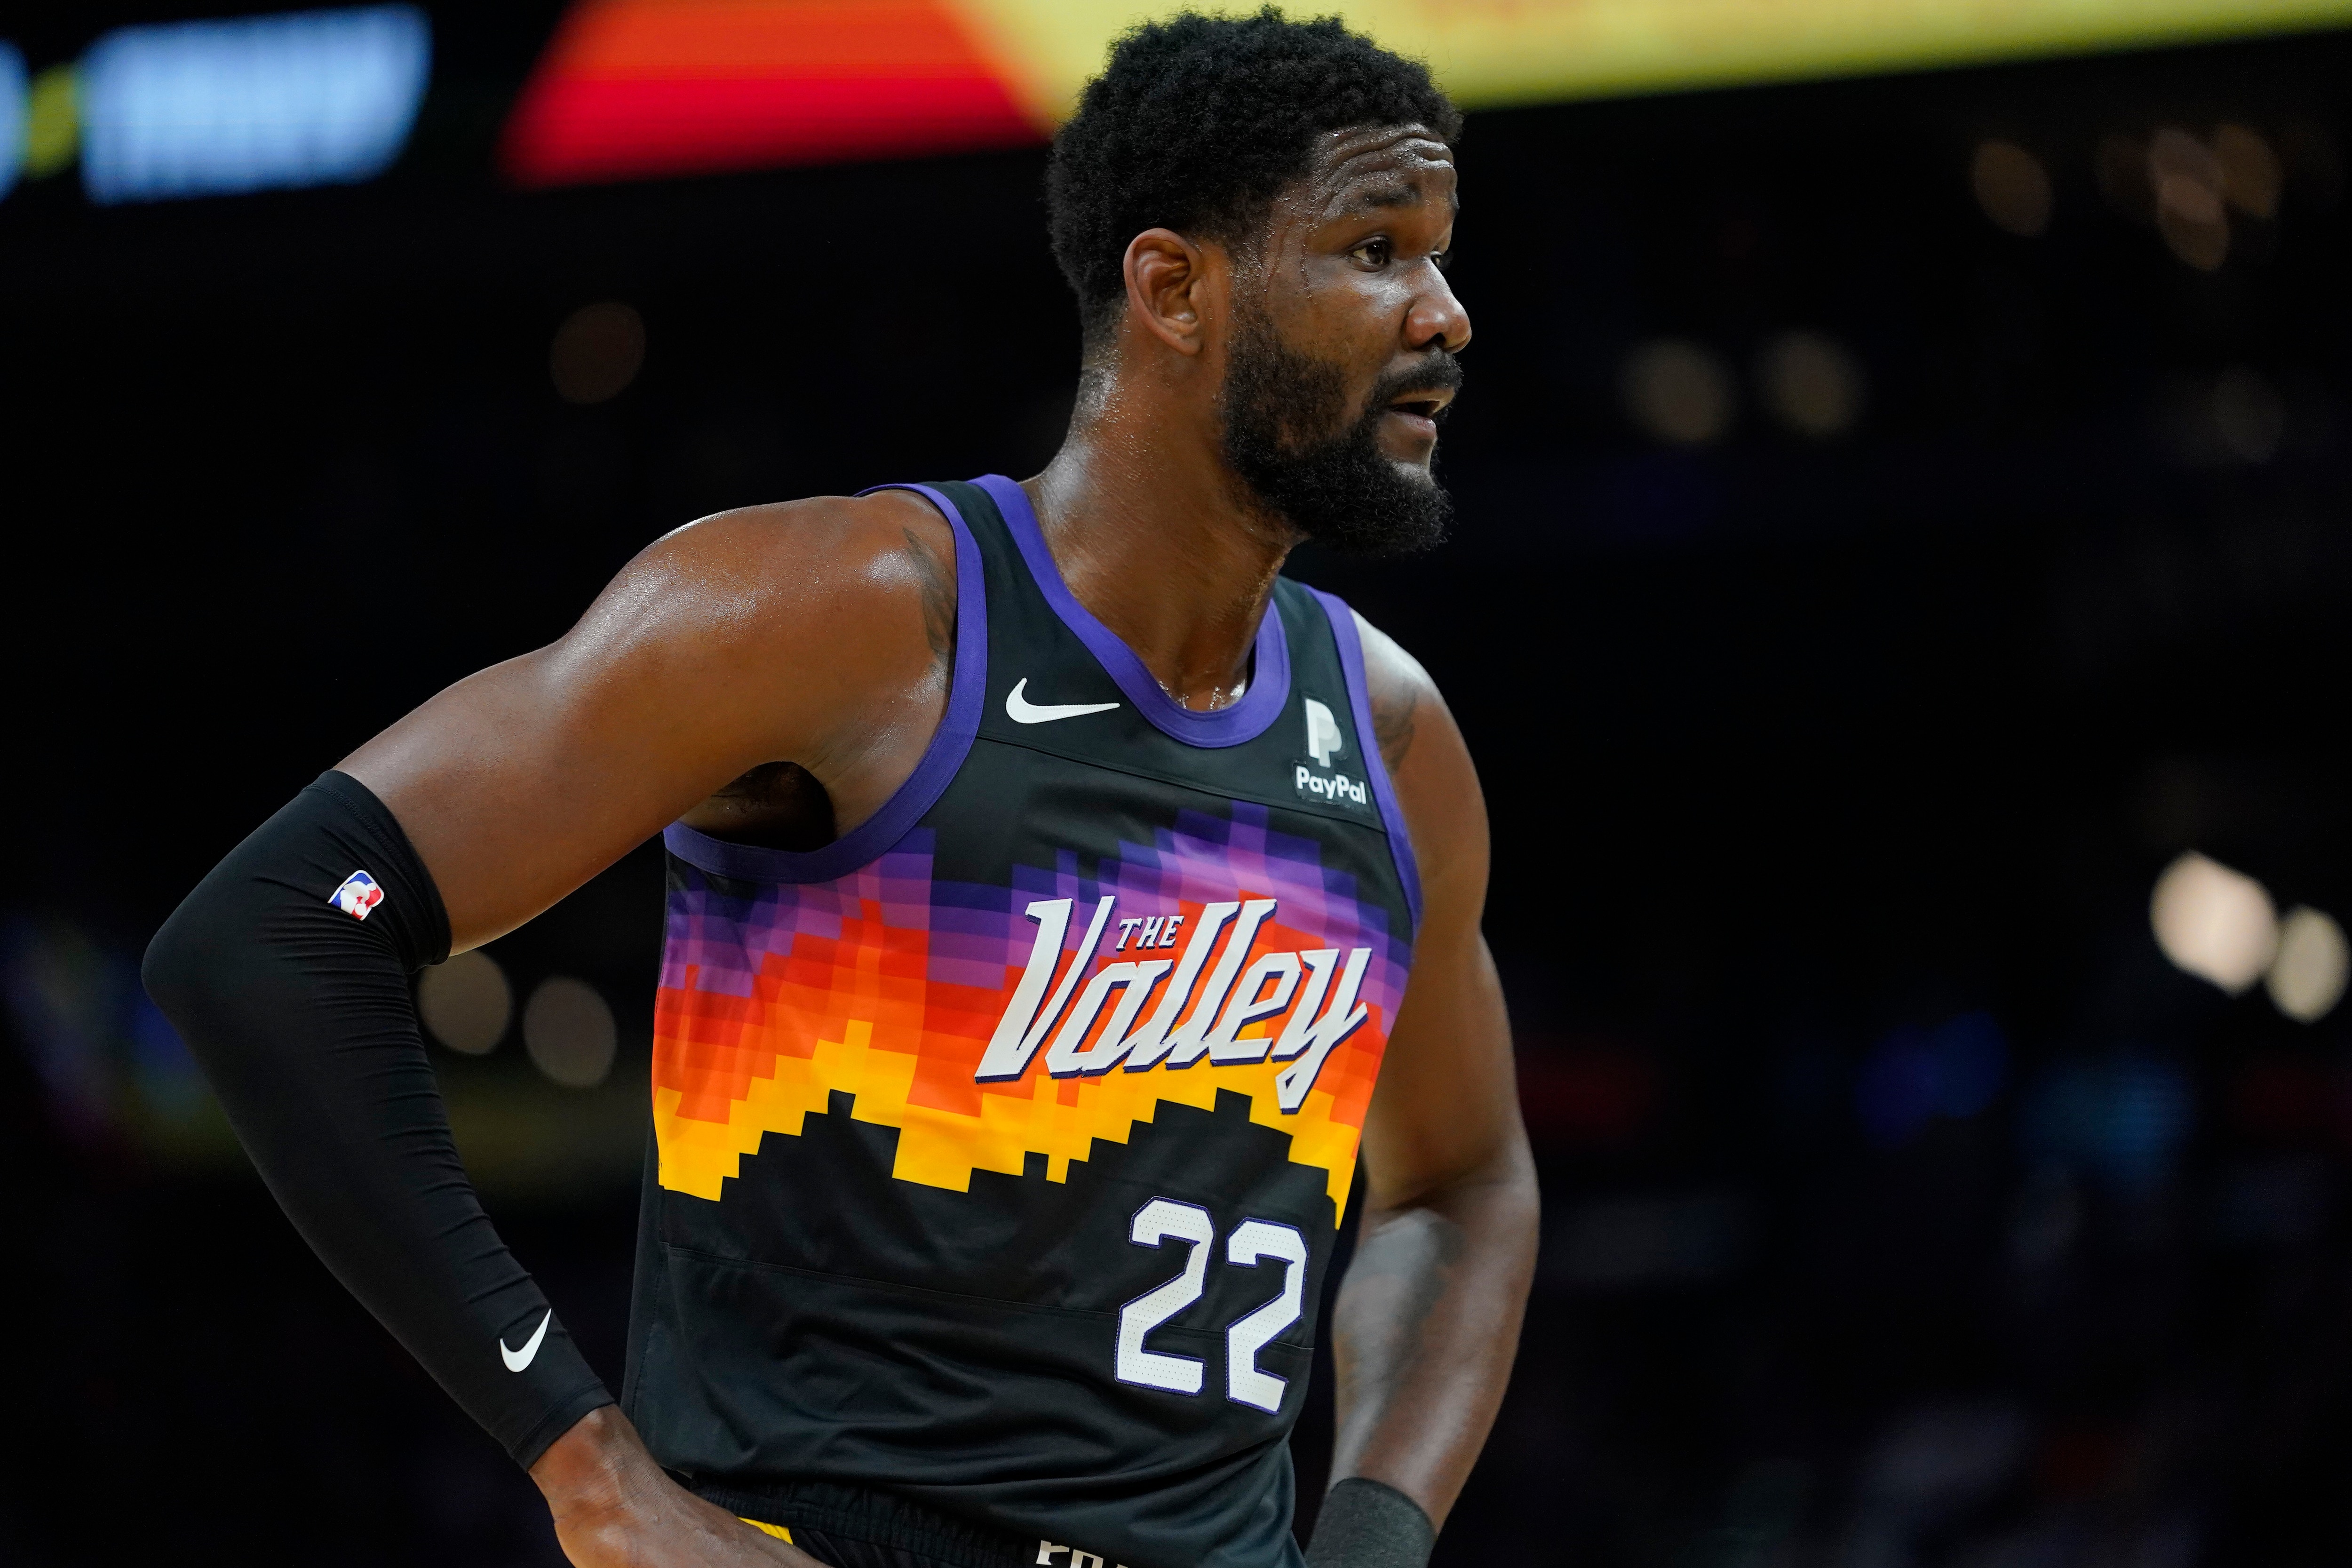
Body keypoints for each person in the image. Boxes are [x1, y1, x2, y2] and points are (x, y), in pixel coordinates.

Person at [143, 11, 1537, 1568]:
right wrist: (589, 1468)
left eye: (1441, 254)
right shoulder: (854, 614)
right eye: (1376, 250)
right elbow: (274, 930)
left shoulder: (1391, 740)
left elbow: (1463, 1179)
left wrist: (1371, 1541)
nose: (1447, 313)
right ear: (1174, 290)